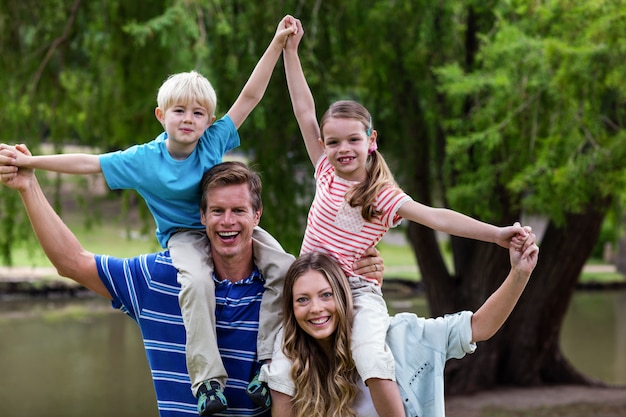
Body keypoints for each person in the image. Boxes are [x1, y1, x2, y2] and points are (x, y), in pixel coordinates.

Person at [0, 15, 298, 416]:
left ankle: (266, 367)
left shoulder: (212, 142)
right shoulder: (144, 160)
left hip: (223, 231)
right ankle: (209, 381)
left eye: (197, 113)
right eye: (179, 111)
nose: (188, 119)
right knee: (196, 283)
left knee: (287, 267)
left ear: (209, 120)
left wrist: (278, 44)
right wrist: (30, 162)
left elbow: (249, 96)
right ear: (161, 116)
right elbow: (88, 163)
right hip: (186, 237)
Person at [0, 151, 384, 417]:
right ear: (202, 216)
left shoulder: (289, 292)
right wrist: (29, 187)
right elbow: (72, 262)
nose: (227, 222)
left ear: (257, 214)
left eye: (238, 211)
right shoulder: (160, 278)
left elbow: (340, 346)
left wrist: (368, 280)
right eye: (217, 211)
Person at [280, 18, 529, 417]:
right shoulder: (324, 170)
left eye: (353, 140)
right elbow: (303, 109)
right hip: (310, 280)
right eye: (333, 142)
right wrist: (290, 53)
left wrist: (496, 234)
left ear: (371, 141)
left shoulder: (382, 196)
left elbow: (438, 218)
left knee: (371, 358)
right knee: (279, 356)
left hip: (357, 291)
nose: (342, 149)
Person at [267, 232, 538, 417]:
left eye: (326, 295)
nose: (316, 308)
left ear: (344, 296)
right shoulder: (292, 361)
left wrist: (519, 273)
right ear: (291, 308)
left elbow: (479, 327)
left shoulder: (399, 338)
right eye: (302, 299)